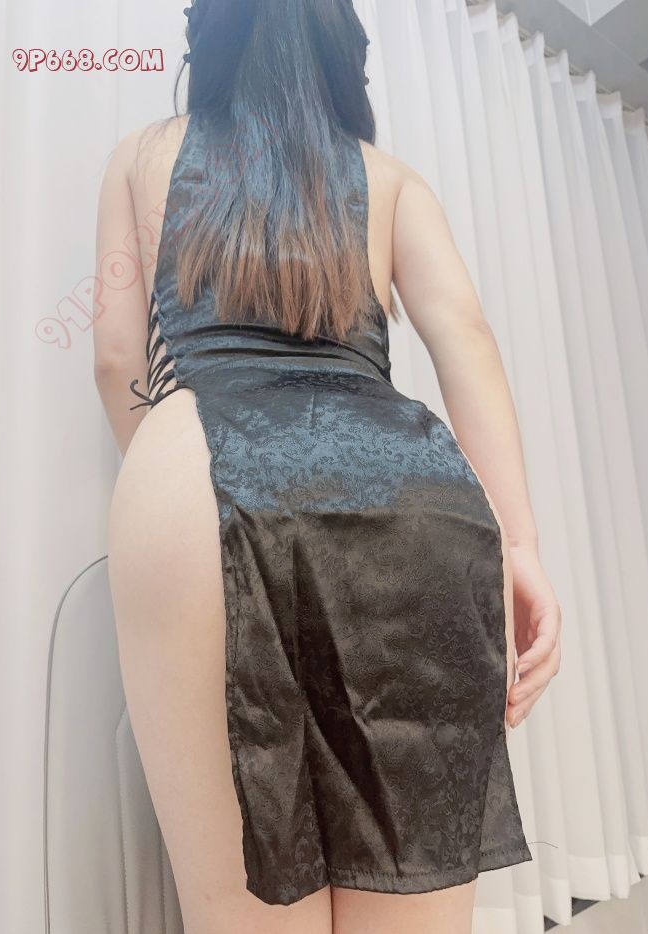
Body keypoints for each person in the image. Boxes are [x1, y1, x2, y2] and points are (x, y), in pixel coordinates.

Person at [94, 2, 561, 932]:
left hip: (202, 462)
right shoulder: (388, 178)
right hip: (404, 496)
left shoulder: (143, 155)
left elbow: (115, 360)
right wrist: (522, 546)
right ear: (346, 54)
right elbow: (466, 337)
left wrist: (175, 490)